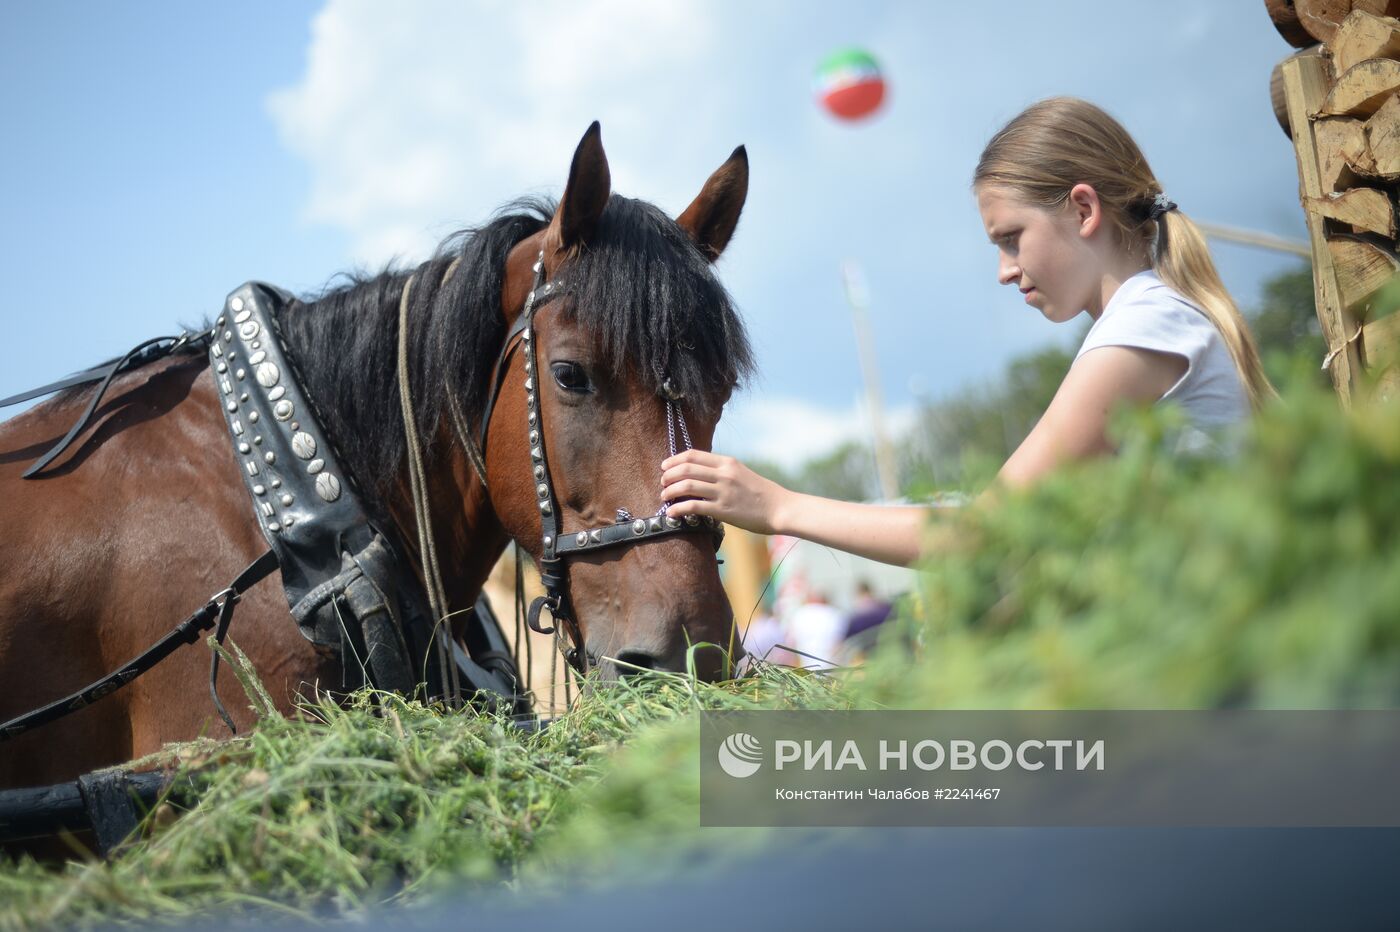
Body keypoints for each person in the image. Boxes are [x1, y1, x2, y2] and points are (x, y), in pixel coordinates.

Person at [660, 96, 1275, 569]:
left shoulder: (1145, 328)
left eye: (1011, 238)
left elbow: (980, 535)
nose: (1005, 271)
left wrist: (779, 508)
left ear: (1084, 210)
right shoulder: (1157, 319)